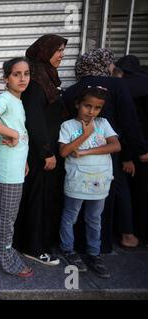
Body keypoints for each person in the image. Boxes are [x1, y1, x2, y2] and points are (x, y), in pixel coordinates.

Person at [63, 49, 148, 253]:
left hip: (78, 155)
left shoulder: (71, 91)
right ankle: (108, 242)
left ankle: (73, 246)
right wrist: (139, 149)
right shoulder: (117, 85)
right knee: (106, 199)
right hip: (108, 155)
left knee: (75, 205)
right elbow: (129, 120)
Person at [13, 34, 68, 266]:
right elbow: (35, 120)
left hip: (43, 151)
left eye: (63, 50)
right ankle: (34, 247)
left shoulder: (45, 77)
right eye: (58, 50)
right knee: (38, 199)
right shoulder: (36, 82)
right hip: (40, 154)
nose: (62, 55)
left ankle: (26, 241)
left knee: (37, 199)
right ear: (45, 51)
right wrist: (47, 152)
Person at [59, 87, 121, 279]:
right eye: (87, 106)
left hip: (100, 182)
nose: (91, 111)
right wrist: (85, 135)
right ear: (78, 104)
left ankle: (94, 253)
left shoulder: (103, 124)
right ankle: (67, 249)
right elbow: (63, 152)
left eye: (97, 108)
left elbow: (116, 145)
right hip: (77, 181)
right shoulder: (68, 126)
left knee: (94, 218)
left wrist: (85, 151)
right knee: (71, 216)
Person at [0, 57, 33, 277]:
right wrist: (12, 134)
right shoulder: (5, 99)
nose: (22, 78)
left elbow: (18, 129)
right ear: (6, 79)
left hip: (13, 164)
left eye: (26, 73)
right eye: (16, 74)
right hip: (8, 168)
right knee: (7, 217)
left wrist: (25, 160)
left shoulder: (16, 100)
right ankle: (7, 260)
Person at [115, 55, 148, 247]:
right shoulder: (142, 84)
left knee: (128, 191)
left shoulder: (127, 90)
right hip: (141, 150)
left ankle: (129, 232)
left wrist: (127, 156)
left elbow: (129, 126)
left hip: (134, 151)